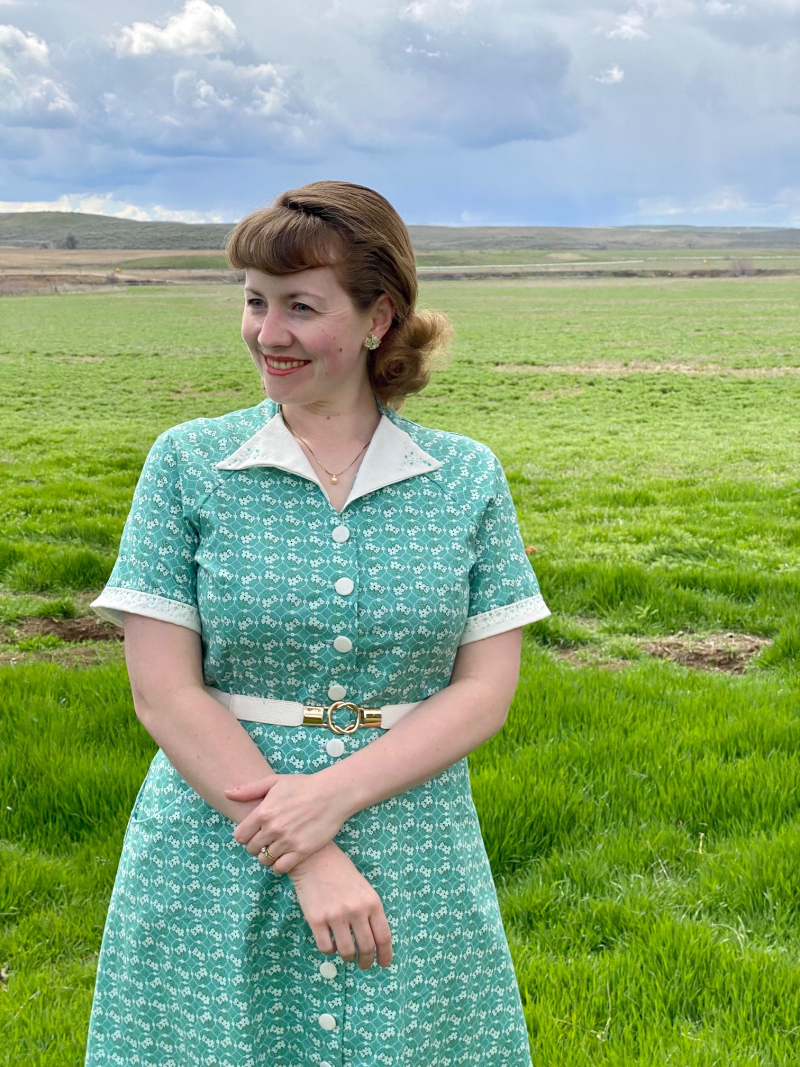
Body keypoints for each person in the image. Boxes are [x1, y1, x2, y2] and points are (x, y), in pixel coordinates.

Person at [84, 180, 551, 1067]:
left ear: (379, 318)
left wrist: (331, 800)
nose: (268, 333)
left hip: (412, 838)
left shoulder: (464, 477)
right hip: (216, 840)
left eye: (301, 306)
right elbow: (164, 690)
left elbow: (485, 689)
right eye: (255, 302)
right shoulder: (189, 463)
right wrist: (305, 853)